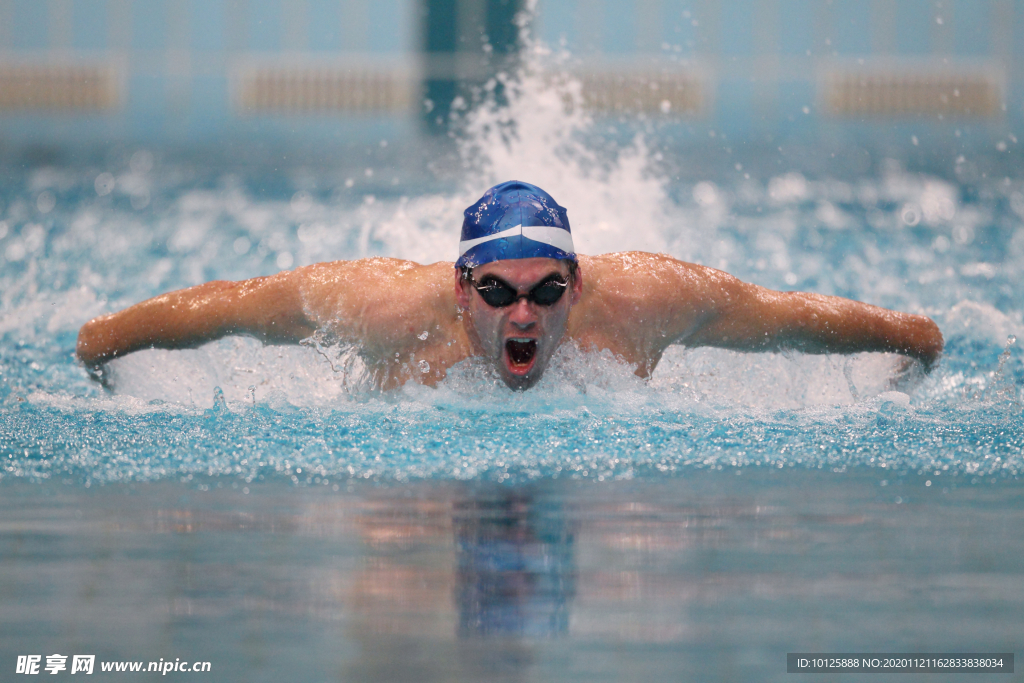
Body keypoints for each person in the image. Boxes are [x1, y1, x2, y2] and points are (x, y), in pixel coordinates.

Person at [76, 180, 943, 391]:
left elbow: (783, 314)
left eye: (545, 291)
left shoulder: (645, 301)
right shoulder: (382, 307)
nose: (522, 313)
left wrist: (910, 337)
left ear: (580, 282)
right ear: (460, 290)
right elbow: (232, 304)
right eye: (497, 293)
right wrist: (103, 341)